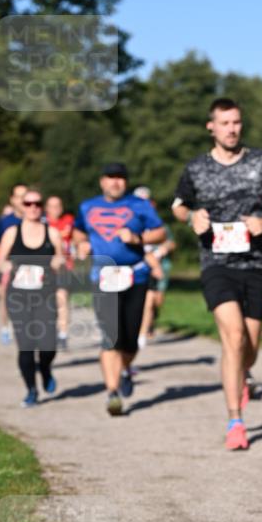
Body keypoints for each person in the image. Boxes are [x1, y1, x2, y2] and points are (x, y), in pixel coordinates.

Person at [172, 98, 262, 450]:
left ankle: (243, 374)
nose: (232, 129)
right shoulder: (197, 169)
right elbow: (178, 204)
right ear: (211, 127)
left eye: (236, 122)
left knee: (249, 345)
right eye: (225, 123)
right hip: (216, 263)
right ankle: (236, 420)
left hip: (257, 264)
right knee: (232, 338)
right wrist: (190, 218)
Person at [73, 164, 165, 416]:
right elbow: (79, 230)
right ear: (102, 181)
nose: (115, 183)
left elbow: (160, 233)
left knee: (130, 341)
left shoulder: (139, 205)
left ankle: (125, 369)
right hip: (102, 276)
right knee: (109, 337)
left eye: (120, 178)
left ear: (126, 182)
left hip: (135, 275)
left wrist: (138, 239)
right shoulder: (87, 206)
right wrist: (80, 243)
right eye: (111, 178)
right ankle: (112, 392)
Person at [0, 188, 64, 406]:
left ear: (42, 206)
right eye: (28, 204)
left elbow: (61, 259)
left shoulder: (51, 233)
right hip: (18, 296)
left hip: (44, 295)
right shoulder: (11, 233)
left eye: (37, 203)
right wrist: (9, 266)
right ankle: (31, 390)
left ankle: (45, 369)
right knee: (25, 345)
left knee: (48, 345)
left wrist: (57, 263)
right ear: (21, 206)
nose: (33, 207)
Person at [132, 187, 176, 349]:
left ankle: (143, 332)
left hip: (158, 267)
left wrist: (164, 249)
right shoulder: (130, 222)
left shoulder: (158, 224)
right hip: (138, 267)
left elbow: (170, 242)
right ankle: (139, 331)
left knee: (153, 302)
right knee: (143, 303)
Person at [0, 183, 27, 344]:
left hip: (33, 267)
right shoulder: (5, 221)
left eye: (25, 196)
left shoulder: (38, 217)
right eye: (19, 196)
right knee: (7, 296)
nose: (22, 200)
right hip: (11, 266)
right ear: (12, 200)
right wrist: (3, 262)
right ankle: (6, 327)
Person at [45, 195, 75, 350]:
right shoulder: (42, 223)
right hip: (45, 269)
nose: (55, 209)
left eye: (58, 205)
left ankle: (63, 334)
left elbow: (76, 238)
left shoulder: (69, 220)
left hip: (64, 267)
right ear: (46, 208)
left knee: (62, 299)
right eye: (52, 206)